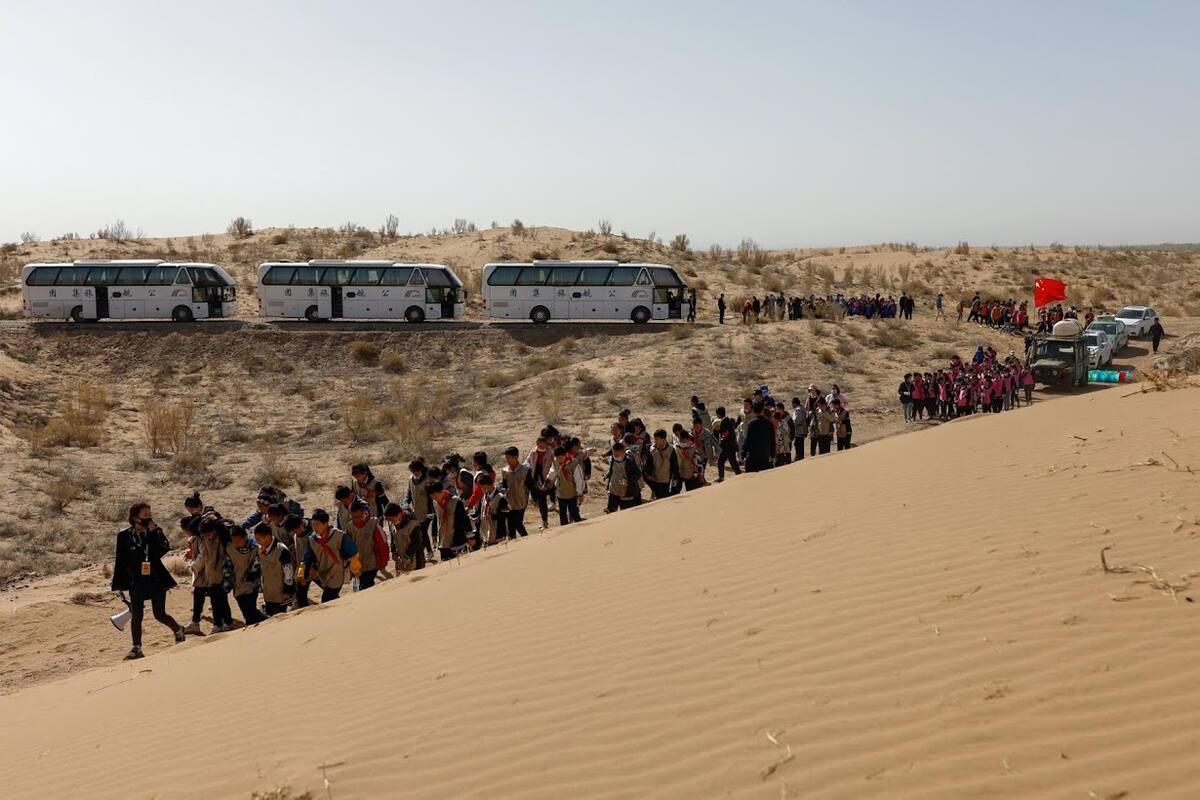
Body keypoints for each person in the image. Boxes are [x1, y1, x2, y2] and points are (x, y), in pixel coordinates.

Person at [111, 502, 184, 660]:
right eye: (144, 515)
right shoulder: (124, 536)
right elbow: (120, 561)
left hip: (155, 579)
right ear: (134, 518)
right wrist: (118, 585)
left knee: (159, 614)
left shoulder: (155, 531)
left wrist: (152, 533)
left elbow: (161, 550)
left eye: (149, 514)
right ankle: (136, 647)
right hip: (135, 582)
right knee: (137, 615)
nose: (148, 518)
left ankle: (178, 630)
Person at [299, 508, 360, 603]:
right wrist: (302, 570)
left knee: (327, 599)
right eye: (313, 524)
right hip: (323, 573)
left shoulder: (339, 536)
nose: (314, 527)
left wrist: (355, 567)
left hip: (337, 572)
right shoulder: (312, 539)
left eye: (317, 524)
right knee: (332, 598)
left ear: (325, 523)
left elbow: (353, 552)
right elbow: (307, 557)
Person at [226, 525, 267, 625]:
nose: (236, 544)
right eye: (234, 542)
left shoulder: (255, 548)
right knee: (246, 612)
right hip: (237, 585)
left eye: (238, 542)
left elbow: (258, 565)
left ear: (245, 537)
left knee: (250, 610)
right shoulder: (229, 548)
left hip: (251, 584)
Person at [344, 500, 389, 590]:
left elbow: (382, 543)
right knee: (356, 589)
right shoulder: (349, 527)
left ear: (363, 512)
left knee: (366, 588)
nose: (355, 519)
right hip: (356, 566)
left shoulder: (373, 524)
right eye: (353, 517)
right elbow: (346, 546)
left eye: (358, 516)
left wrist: (384, 560)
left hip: (371, 564)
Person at [253, 522, 293, 616]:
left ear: (267, 537)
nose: (257, 542)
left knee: (280, 618)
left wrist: (288, 590)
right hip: (268, 594)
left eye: (259, 539)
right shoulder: (260, 550)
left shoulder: (281, 550)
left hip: (281, 594)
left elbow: (288, 572)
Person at [429, 482, 475, 559]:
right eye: (432, 497)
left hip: (457, 540)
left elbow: (464, 519)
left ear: (442, 491)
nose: (435, 498)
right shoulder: (436, 503)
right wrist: (434, 535)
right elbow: (436, 518)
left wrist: (470, 536)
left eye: (436, 496)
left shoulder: (455, 501)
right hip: (443, 541)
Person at [500, 447, 533, 538]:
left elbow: (530, 485)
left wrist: (535, 498)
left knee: (517, 523)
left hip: (521, 501)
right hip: (508, 502)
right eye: (506, 458)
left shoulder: (525, 470)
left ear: (515, 457)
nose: (507, 460)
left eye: (509, 458)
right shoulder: (505, 471)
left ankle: (526, 538)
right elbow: (504, 484)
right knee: (509, 526)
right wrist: (502, 489)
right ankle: (513, 543)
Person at [548, 445, 585, 526]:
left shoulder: (574, 463)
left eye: (561, 458)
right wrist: (548, 479)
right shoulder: (555, 462)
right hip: (561, 493)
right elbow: (552, 472)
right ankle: (564, 530)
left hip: (572, 493)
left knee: (574, 512)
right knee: (562, 514)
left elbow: (579, 480)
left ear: (565, 455)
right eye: (558, 458)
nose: (559, 460)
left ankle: (581, 528)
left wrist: (580, 493)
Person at [384, 503, 423, 572]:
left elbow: (417, 543)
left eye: (391, 519)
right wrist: (394, 552)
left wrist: (408, 556)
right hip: (401, 561)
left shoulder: (413, 524)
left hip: (416, 561)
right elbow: (393, 539)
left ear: (399, 514)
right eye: (389, 520)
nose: (391, 522)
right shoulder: (393, 525)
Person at [604, 442, 642, 512]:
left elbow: (638, 474)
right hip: (614, 488)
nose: (615, 455)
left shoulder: (629, 461)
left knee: (626, 511)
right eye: (614, 453)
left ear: (623, 452)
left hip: (626, 491)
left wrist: (628, 480)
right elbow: (612, 470)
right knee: (611, 511)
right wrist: (607, 475)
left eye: (617, 454)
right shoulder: (612, 459)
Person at [283, 514, 312, 607]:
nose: (295, 532)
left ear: (301, 524)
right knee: (300, 595)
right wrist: (300, 572)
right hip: (303, 568)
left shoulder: (313, 532)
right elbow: (300, 556)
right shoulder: (296, 535)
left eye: (296, 530)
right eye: (293, 531)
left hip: (317, 567)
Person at [740, 401, 775, 472]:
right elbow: (772, 441)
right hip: (765, 457)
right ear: (763, 410)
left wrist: (743, 453)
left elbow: (748, 440)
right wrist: (772, 455)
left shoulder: (752, 424)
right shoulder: (769, 424)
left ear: (753, 410)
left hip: (753, 457)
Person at [713, 407, 741, 481]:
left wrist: (721, 440)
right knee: (721, 461)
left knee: (732, 462)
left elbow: (725, 434)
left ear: (718, 414)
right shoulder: (727, 420)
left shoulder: (724, 422)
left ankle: (739, 476)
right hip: (728, 446)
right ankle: (721, 477)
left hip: (728, 446)